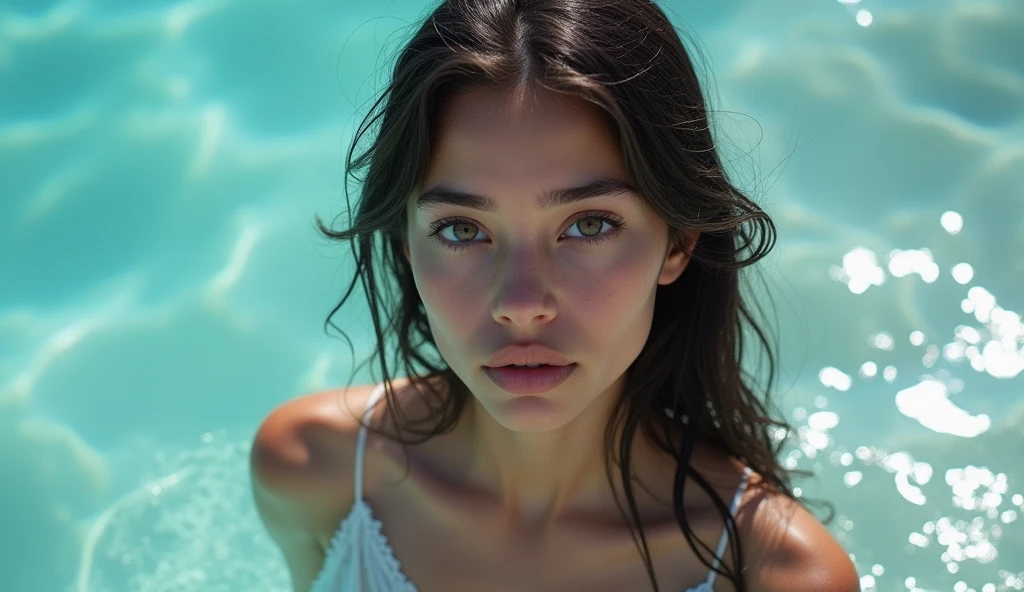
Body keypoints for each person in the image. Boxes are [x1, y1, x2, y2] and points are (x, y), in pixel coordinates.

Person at [250, 0, 861, 590]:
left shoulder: (778, 574)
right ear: (407, 245)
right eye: (462, 229)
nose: (519, 302)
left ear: (678, 243)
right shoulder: (312, 469)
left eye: (588, 225)